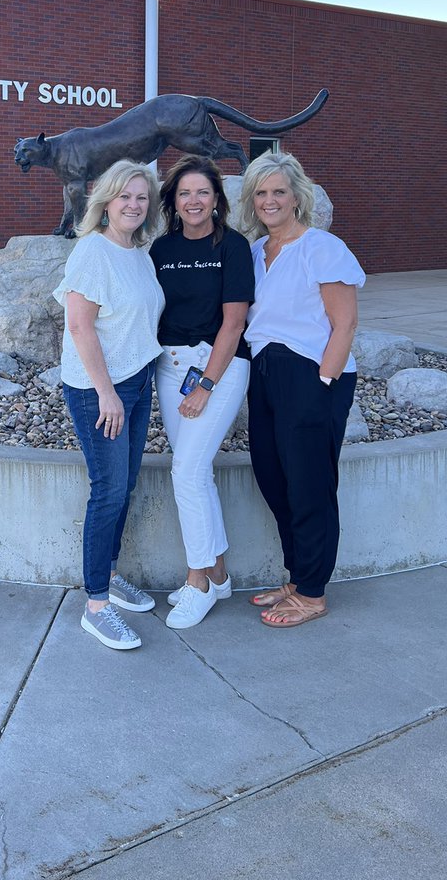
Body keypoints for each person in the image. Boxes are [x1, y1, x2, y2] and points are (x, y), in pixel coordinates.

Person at [240, 152, 365, 627]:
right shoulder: (255, 252)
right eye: (261, 193)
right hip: (265, 373)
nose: (270, 200)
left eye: (279, 191)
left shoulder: (322, 248)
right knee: (274, 477)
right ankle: (297, 575)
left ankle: (313, 592)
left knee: (311, 483)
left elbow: (345, 323)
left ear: (297, 197)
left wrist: (324, 382)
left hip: (313, 373)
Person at [54, 160, 165, 650]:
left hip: (137, 385)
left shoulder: (138, 252)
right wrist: (106, 393)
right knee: (108, 492)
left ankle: (111, 573)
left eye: (142, 198)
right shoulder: (92, 252)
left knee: (126, 486)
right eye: (125, 197)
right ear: (106, 199)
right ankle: (95, 605)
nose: (134, 205)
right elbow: (79, 327)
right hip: (101, 391)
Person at [150, 155, 254, 629]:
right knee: (198, 473)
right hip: (170, 371)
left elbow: (234, 323)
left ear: (217, 200)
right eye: (185, 192)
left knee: (187, 472)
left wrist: (208, 385)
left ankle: (198, 582)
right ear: (173, 199)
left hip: (220, 366)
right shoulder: (160, 249)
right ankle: (220, 574)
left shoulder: (233, 246)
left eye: (203, 192)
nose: (194, 200)